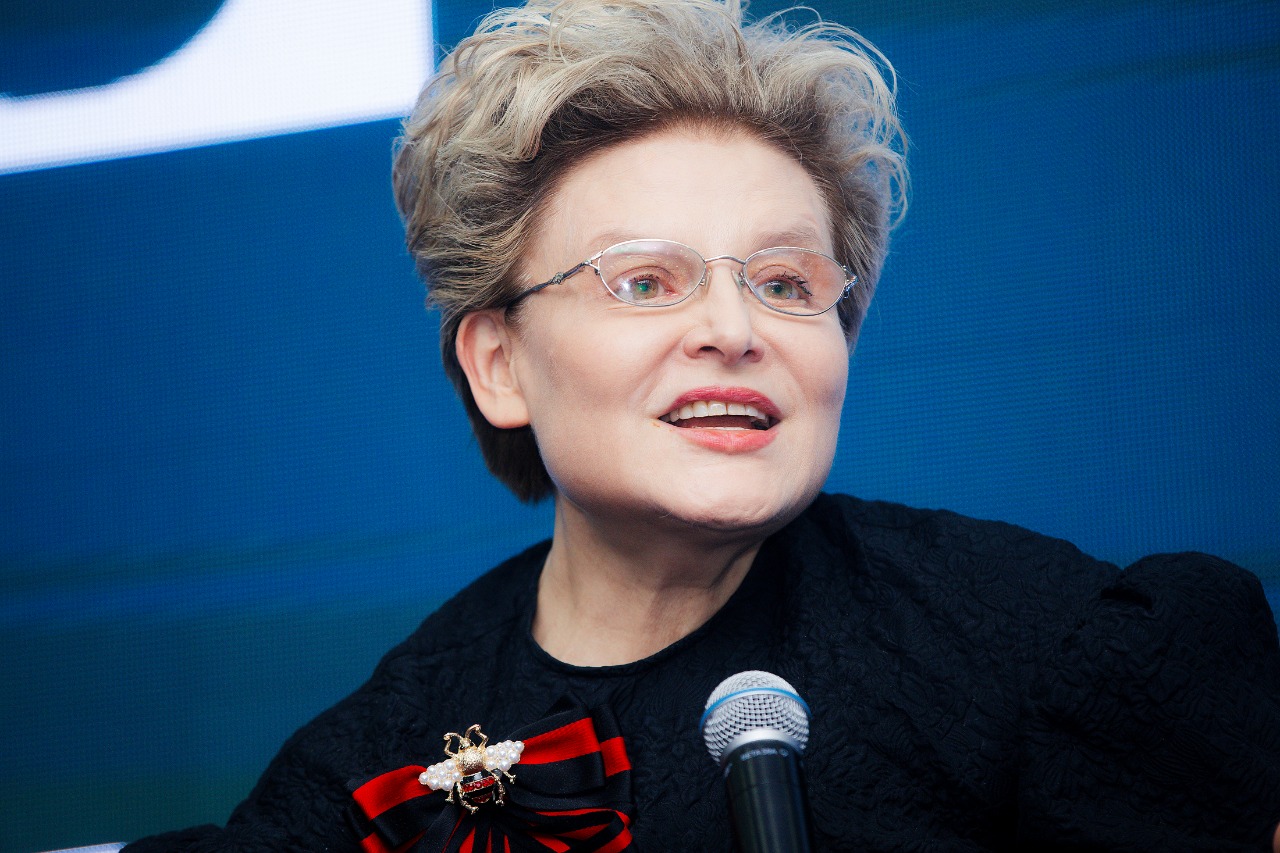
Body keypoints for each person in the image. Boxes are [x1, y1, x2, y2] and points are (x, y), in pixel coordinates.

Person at [124, 0, 1280, 850]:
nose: (733, 329)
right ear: (499, 364)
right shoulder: (369, 765)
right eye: (644, 281)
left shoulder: (1043, 652)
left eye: (783, 283)